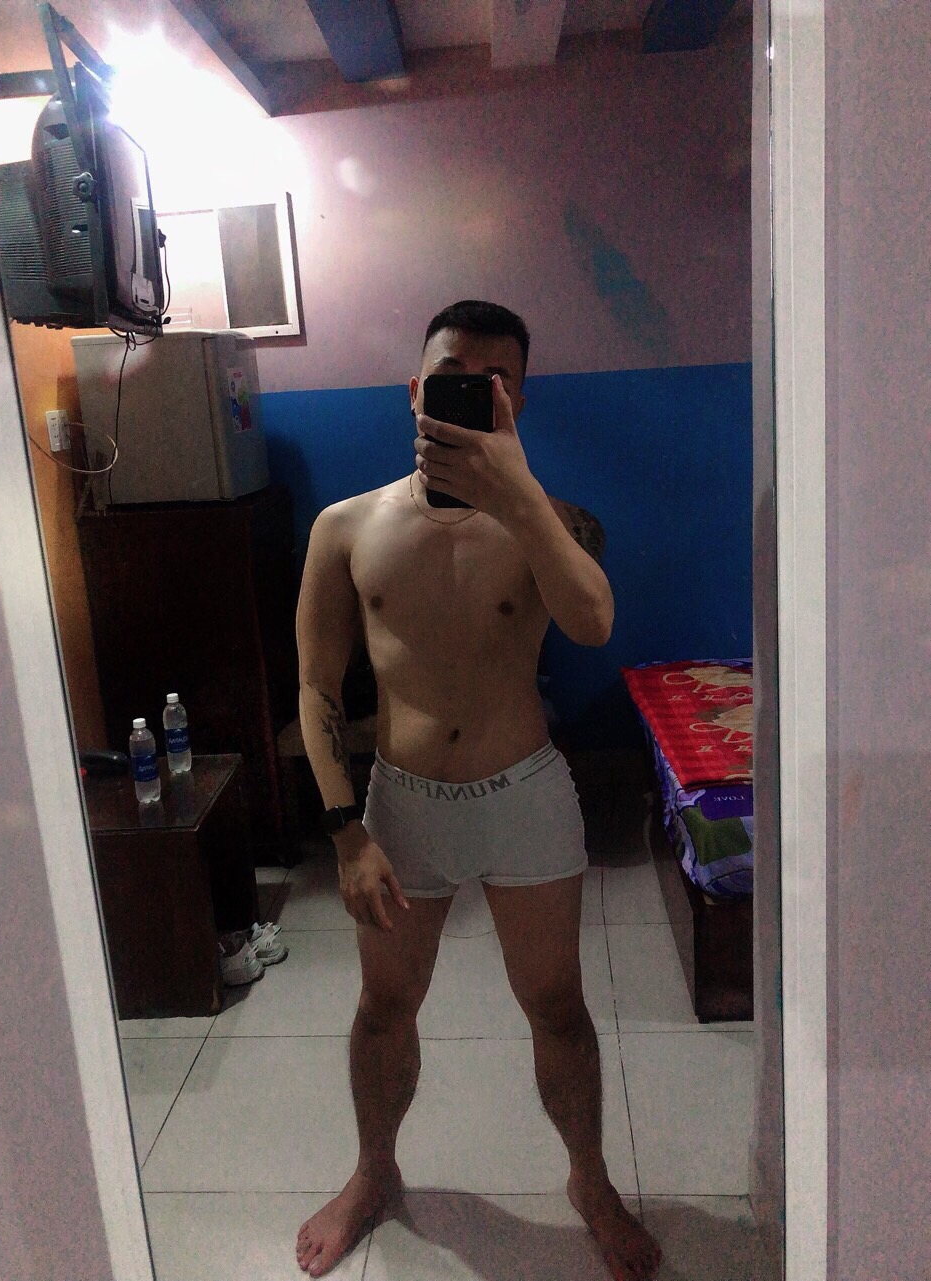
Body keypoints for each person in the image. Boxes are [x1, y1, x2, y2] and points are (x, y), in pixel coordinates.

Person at [294, 300, 663, 1281]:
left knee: (556, 1006)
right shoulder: (345, 527)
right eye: (455, 375)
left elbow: (592, 623)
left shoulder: (551, 520)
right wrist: (345, 834)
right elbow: (316, 688)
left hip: (524, 795)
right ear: (416, 390)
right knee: (385, 1006)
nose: (473, 393)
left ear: (518, 402)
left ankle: (587, 1179)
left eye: (497, 383)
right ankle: (373, 1171)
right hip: (401, 807)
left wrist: (519, 494)